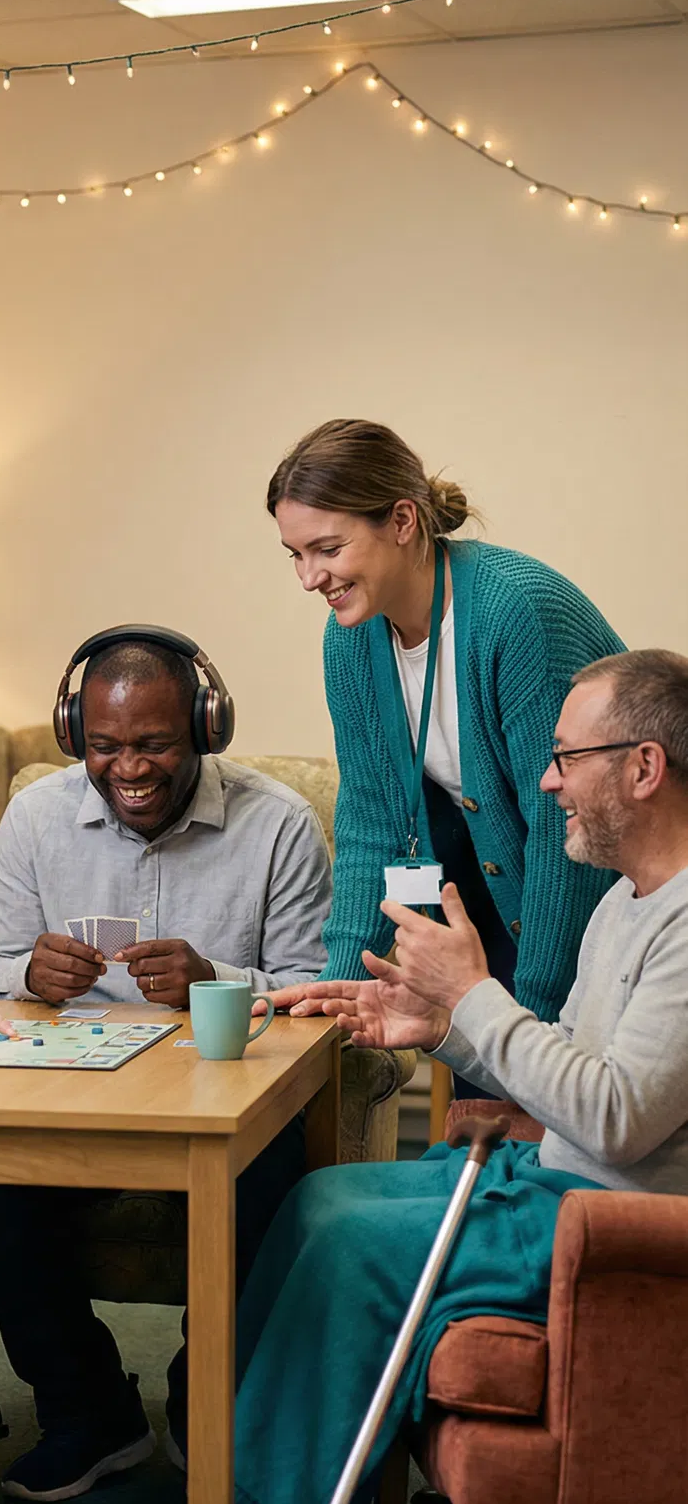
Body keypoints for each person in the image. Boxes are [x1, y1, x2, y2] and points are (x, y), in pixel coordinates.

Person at [99, 649, 688, 1504]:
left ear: (644, 767)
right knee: (319, 1200)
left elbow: (620, 1116)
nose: (544, 781)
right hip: (559, 1182)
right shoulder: (633, 898)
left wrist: (475, 999)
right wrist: (442, 1029)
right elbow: (581, 1081)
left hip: (615, 1229)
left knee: (355, 1250)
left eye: (565, 758)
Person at [0, 627, 332, 1502]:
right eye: (107, 747)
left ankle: (209, 1396)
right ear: (76, 736)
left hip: (226, 1100)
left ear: (204, 725)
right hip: (73, 1094)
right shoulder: (37, 815)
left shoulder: (278, 824)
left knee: (271, 1169)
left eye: (155, 744)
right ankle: (88, 1412)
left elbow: (315, 992)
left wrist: (215, 981)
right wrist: (26, 974)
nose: (131, 769)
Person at [266, 420, 624, 1072]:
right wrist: (339, 994)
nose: (309, 577)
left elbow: (560, 833)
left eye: (326, 548)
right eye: (295, 553)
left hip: (597, 900)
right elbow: (374, 822)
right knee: (481, 1137)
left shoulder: (514, 612)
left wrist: (534, 1028)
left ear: (402, 521)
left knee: (535, 1128)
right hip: (494, 893)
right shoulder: (349, 640)